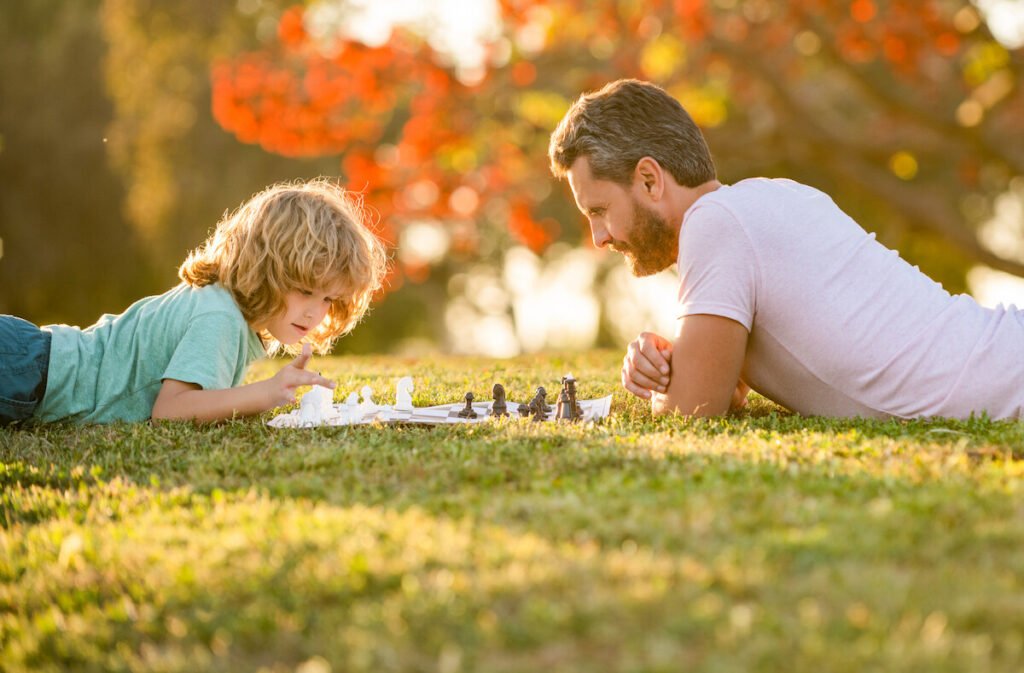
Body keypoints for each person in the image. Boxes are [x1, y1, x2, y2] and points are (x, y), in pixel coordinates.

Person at [548, 78, 1024, 420]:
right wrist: (681, 360)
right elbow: (725, 383)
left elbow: (691, 410)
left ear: (649, 179)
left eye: (599, 210)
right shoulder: (769, 198)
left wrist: (671, 386)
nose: (599, 237)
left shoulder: (716, 224)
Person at [0, 178, 387, 425]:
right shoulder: (220, 317)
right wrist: (267, 392)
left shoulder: (224, 308)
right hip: (29, 373)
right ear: (267, 268)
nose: (315, 312)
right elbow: (170, 412)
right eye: (305, 289)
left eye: (329, 299)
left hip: (31, 365)